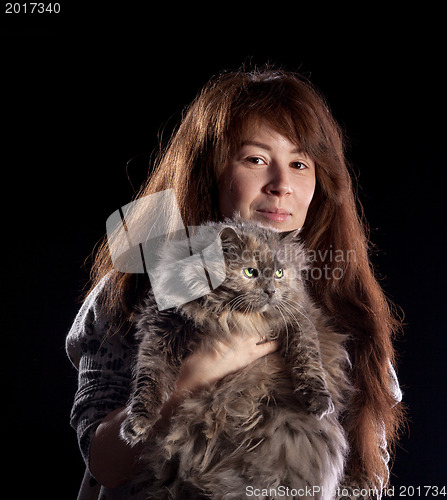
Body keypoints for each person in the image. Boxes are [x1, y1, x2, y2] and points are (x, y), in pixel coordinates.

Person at [66, 66, 404, 500]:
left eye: (300, 163)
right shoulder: (132, 289)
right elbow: (103, 464)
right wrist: (189, 381)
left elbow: (370, 476)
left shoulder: (341, 301)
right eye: (256, 159)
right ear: (210, 171)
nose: (282, 185)